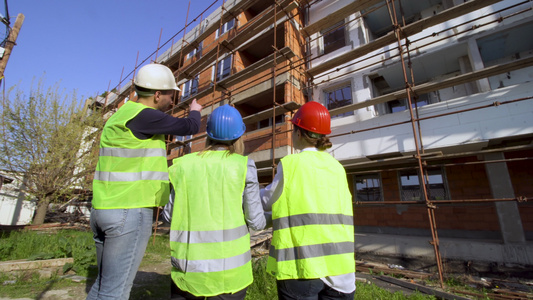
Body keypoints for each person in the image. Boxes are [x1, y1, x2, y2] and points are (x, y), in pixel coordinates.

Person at [87, 63, 202, 300]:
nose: (172, 101)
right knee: (114, 293)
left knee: (103, 285)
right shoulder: (146, 116)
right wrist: (195, 109)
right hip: (128, 210)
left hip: (102, 208)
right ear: (157, 94)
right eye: (171, 95)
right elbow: (190, 126)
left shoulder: (121, 115)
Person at [162, 104, 266, 300]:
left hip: (188, 273)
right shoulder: (244, 166)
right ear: (239, 136)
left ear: (208, 134)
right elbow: (256, 222)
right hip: (230, 277)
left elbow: (168, 217)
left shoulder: (183, 165)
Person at [261, 101, 356, 300]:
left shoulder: (291, 164)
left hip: (302, 267)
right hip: (340, 271)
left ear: (299, 132)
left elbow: (266, 201)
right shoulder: (337, 167)